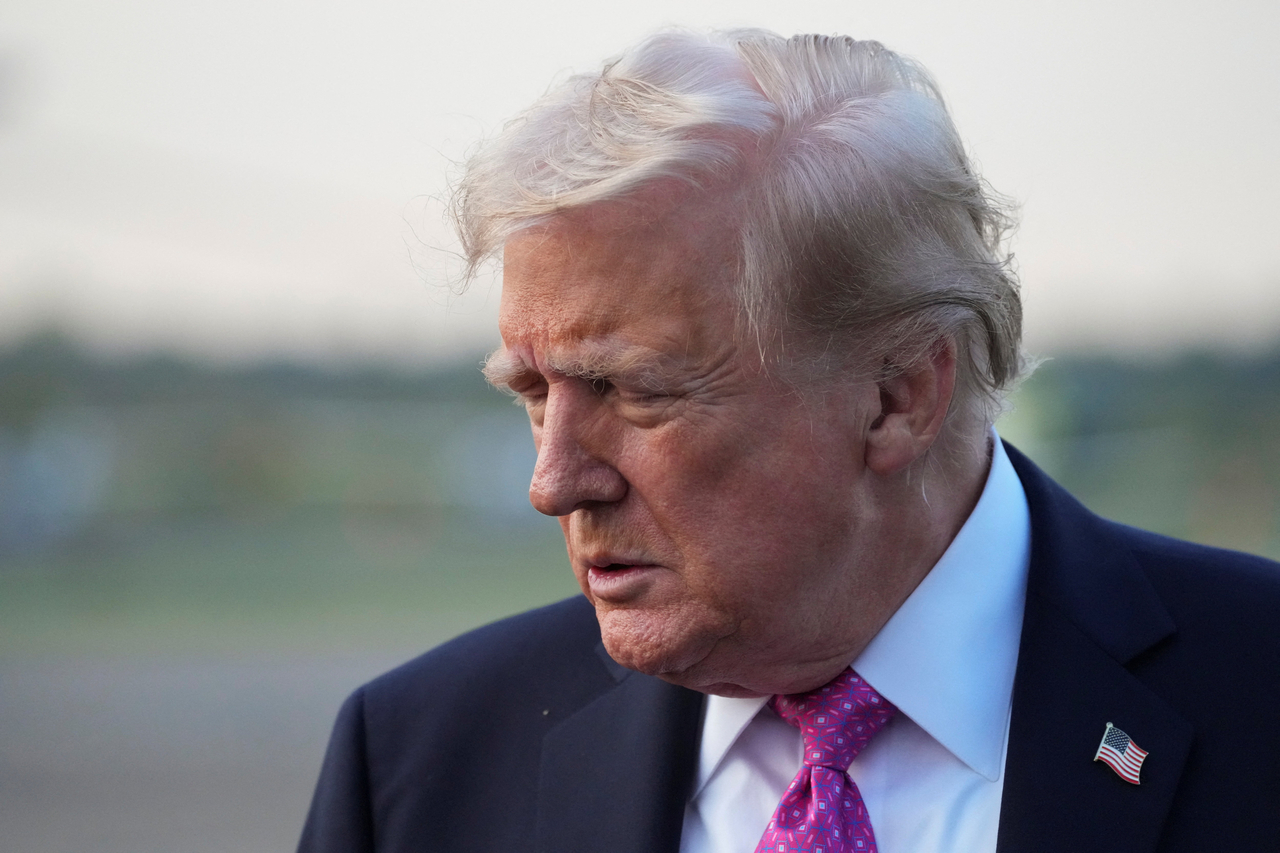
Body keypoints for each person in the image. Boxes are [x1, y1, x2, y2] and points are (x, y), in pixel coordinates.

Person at [298, 28, 1280, 853]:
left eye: (633, 390)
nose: (552, 482)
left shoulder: (1255, 688)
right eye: (532, 393)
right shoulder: (419, 763)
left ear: (897, 395)